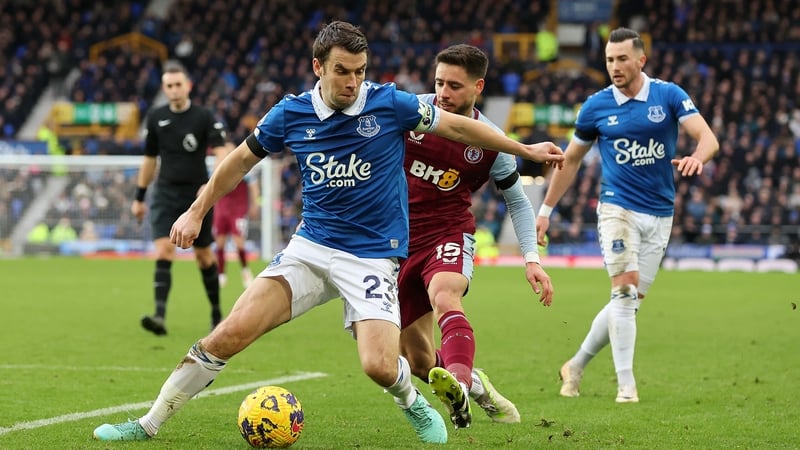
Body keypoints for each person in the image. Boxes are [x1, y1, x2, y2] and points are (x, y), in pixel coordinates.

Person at [93, 21, 563, 444]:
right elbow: (236, 162)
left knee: (381, 366)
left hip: (373, 256)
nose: (353, 82)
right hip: (311, 249)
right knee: (227, 334)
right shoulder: (289, 115)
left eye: (359, 71)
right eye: (342, 71)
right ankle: (148, 423)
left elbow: (460, 129)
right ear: (318, 67)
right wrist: (196, 211)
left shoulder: (389, 104)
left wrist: (523, 148)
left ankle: (412, 402)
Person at [535, 27, 719, 403]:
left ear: (640, 60)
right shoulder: (596, 106)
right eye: (608, 60)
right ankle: (626, 386)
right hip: (617, 208)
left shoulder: (668, 95)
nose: (614, 66)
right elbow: (570, 161)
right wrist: (546, 210)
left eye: (621, 59)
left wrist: (696, 159)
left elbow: (708, 139)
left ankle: (575, 365)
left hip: (661, 214)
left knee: (629, 301)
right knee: (623, 291)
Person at [398, 44, 554, 429]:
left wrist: (531, 259)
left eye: (454, 85)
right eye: (438, 83)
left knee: (445, 294)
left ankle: (462, 386)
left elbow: (517, 201)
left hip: (448, 231)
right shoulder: (410, 110)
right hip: (395, 240)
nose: (443, 93)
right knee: (416, 360)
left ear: (477, 87)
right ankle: (478, 385)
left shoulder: (492, 141)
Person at [131, 60, 228, 336]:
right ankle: (159, 316)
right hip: (165, 193)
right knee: (164, 250)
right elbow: (149, 160)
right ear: (164, 88)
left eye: (178, 85)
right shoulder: (156, 117)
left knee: (204, 256)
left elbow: (222, 153)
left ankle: (217, 316)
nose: (174, 90)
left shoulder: (204, 117)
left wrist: (211, 186)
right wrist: (139, 197)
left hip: (196, 196)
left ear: (188, 86)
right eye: (169, 86)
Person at [214, 143, 260, 288]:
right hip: (221, 208)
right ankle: (221, 274)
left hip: (238, 210)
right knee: (219, 242)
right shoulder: (218, 168)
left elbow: (253, 187)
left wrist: (254, 205)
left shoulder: (244, 167)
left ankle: (245, 271)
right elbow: (211, 186)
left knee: (238, 241)